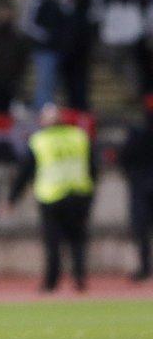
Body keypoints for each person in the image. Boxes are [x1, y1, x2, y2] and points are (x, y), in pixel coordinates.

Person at [8, 105, 97, 292]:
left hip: (51, 196)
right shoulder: (78, 136)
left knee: (53, 243)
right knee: (77, 241)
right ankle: (79, 279)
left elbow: (25, 172)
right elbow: (93, 167)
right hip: (79, 194)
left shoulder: (39, 141)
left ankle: (51, 282)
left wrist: (12, 198)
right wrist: (90, 191)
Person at [119, 96, 153, 282]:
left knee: (141, 231)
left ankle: (145, 268)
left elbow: (124, 158)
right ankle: (145, 268)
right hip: (140, 185)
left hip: (140, 186)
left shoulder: (137, 134)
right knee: (141, 232)